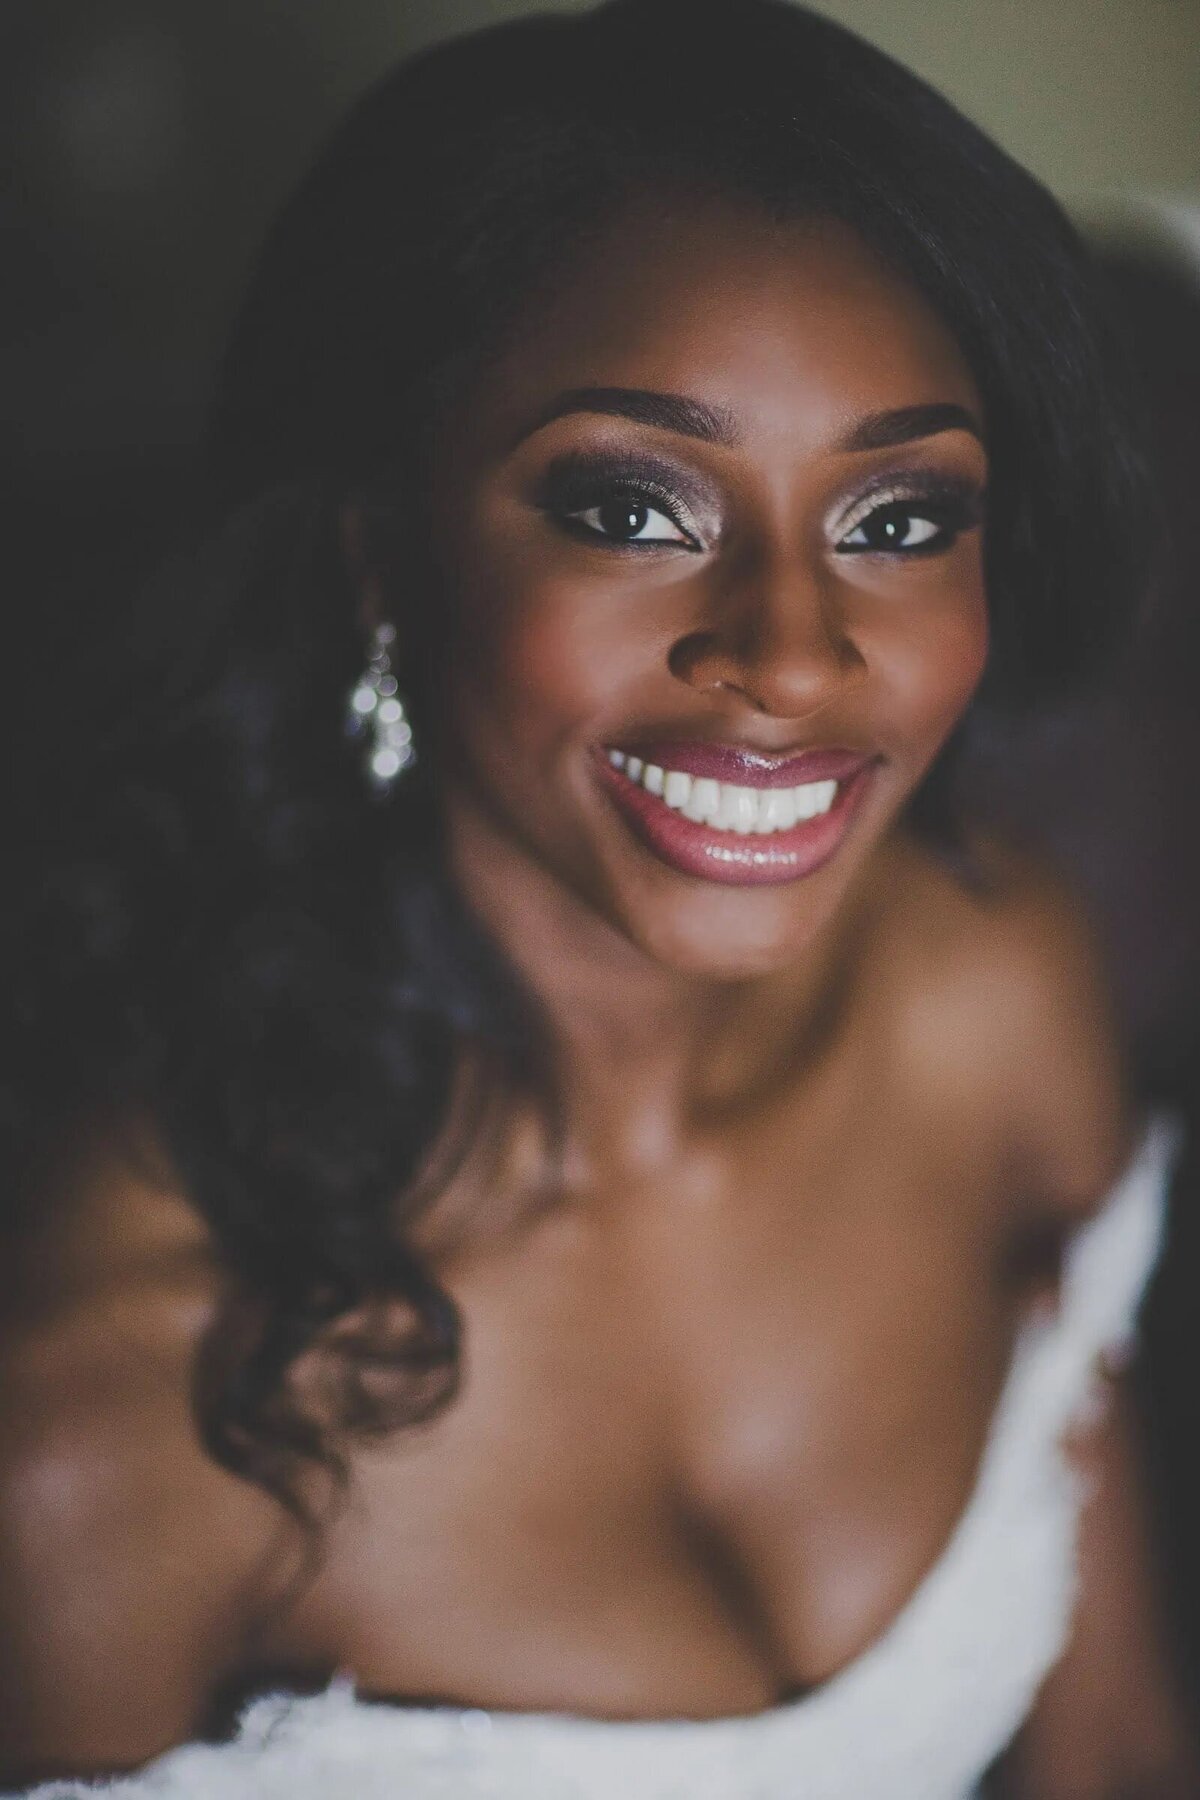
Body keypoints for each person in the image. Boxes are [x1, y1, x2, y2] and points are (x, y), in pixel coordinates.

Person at [1, 2, 1195, 1793]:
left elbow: (1112, 1750)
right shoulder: (108, 1419)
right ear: (384, 554)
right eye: (635, 510)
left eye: (895, 519)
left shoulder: (993, 987)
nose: (794, 658)